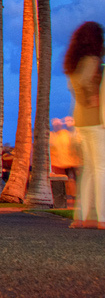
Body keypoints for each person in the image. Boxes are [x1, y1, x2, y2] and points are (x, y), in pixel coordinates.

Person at [63, 20, 103, 230]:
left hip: (80, 120)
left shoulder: (74, 63)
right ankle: (102, 217)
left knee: (88, 170)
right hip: (95, 120)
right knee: (101, 168)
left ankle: (83, 216)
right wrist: (92, 97)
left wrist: (84, 98)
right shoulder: (92, 60)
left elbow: (74, 85)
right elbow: (87, 82)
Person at [52, 116, 80, 206]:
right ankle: (71, 197)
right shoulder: (58, 135)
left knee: (72, 179)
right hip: (64, 163)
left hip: (70, 162)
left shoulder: (65, 134)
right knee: (68, 180)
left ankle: (74, 196)